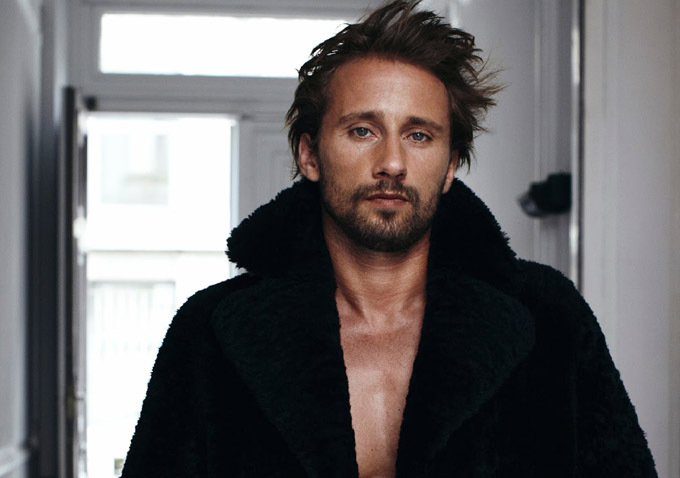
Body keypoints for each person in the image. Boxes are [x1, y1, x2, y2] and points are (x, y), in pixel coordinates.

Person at [121, 1, 657, 477]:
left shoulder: (549, 318)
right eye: (363, 130)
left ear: (449, 167)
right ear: (309, 155)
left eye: (419, 135)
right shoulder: (209, 331)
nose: (393, 163)